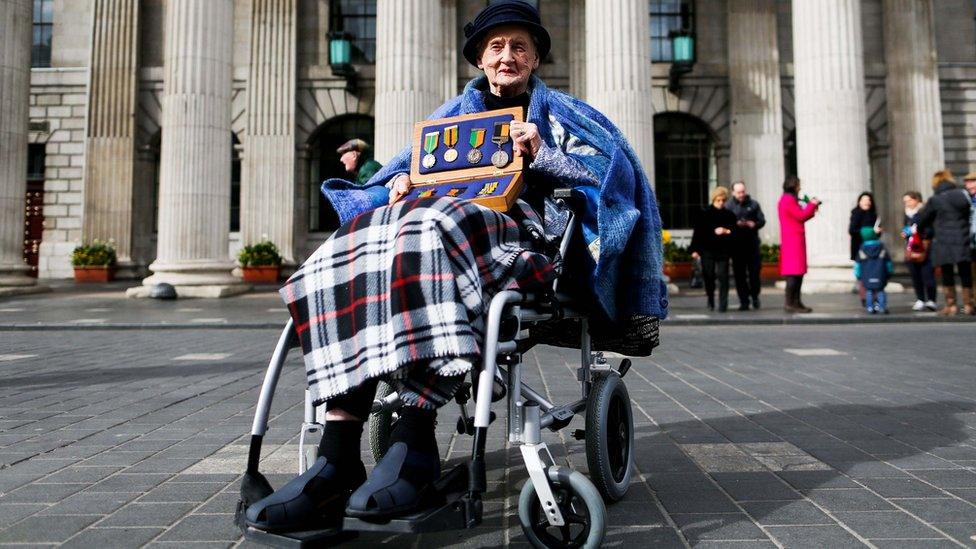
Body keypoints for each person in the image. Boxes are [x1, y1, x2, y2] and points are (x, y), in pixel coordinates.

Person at [245, 0, 667, 531]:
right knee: (355, 240)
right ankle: (337, 453)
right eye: (496, 47)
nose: (506, 56)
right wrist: (392, 186)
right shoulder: (447, 121)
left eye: (519, 46)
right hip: (440, 237)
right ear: (480, 59)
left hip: (521, 240)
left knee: (427, 229)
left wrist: (545, 157)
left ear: (536, 59)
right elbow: (390, 182)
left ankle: (416, 438)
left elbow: (615, 184)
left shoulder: (567, 118)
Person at [917, 170, 974, 316]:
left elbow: (923, 220)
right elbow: (969, 214)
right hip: (962, 238)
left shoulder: (935, 199)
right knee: (965, 271)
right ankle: (969, 304)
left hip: (943, 240)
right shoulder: (962, 194)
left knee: (947, 272)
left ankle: (951, 305)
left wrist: (923, 231)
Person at [778, 175, 821, 313]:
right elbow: (801, 215)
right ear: (793, 185)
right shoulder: (788, 200)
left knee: (798, 273)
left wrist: (811, 208)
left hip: (794, 239)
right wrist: (812, 204)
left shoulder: (788, 199)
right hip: (792, 241)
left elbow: (801, 215)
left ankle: (796, 301)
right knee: (793, 273)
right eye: (798, 185)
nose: (800, 187)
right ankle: (790, 303)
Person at [690, 186, 737, 312]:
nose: (721, 203)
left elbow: (734, 231)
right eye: (718, 200)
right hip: (707, 250)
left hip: (723, 251)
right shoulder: (705, 214)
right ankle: (710, 299)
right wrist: (694, 250)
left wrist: (726, 231)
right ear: (713, 200)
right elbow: (698, 233)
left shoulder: (729, 215)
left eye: (723, 200)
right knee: (708, 276)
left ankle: (723, 304)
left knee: (723, 277)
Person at [726, 181, 766, 310]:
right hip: (736, 246)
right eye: (738, 192)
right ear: (733, 192)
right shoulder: (728, 206)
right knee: (740, 275)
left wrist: (753, 224)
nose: (741, 194)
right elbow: (724, 223)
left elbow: (762, 220)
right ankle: (744, 301)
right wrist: (735, 224)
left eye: (743, 192)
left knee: (754, 273)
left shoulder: (754, 204)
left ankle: (755, 296)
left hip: (752, 244)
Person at [900, 190, 937, 311]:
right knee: (915, 275)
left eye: (909, 200)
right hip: (911, 247)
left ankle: (931, 299)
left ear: (917, 200)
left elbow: (931, 230)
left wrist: (918, 232)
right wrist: (906, 233)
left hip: (925, 247)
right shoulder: (906, 214)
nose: (907, 203)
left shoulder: (924, 212)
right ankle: (920, 299)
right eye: (905, 201)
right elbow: (906, 229)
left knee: (928, 275)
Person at [854, 227, 894, 314]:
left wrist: (858, 275)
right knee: (880, 291)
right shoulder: (881, 247)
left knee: (869, 291)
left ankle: (870, 308)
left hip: (866, 275)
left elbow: (857, 265)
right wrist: (890, 272)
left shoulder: (862, 249)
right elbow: (888, 262)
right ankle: (882, 307)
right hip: (880, 274)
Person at [848, 192, 878, 306]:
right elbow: (852, 230)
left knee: (873, 272)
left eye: (869, 200)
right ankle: (865, 296)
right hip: (859, 247)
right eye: (864, 200)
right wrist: (870, 232)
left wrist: (877, 232)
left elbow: (876, 234)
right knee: (861, 274)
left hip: (873, 247)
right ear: (859, 202)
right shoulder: (856, 214)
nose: (867, 202)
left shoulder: (873, 214)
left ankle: (873, 296)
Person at [966, 172, 976, 287]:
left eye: (972, 182)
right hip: (972, 244)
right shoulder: (969, 200)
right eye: (967, 183)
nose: (969, 186)